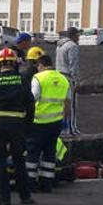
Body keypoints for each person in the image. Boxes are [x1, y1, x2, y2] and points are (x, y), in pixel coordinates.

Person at [0, 47, 35, 205]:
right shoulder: (23, 81)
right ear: (14, 63)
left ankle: (4, 198)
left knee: (0, 162)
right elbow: (31, 107)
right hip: (18, 126)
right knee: (19, 161)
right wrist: (28, 128)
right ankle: (25, 196)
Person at [27, 54, 70, 193]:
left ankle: (30, 184)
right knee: (49, 153)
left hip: (38, 122)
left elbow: (32, 99)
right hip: (56, 123)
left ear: (40, 65)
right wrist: (64, 119)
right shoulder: (64, 79)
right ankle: (47, 184)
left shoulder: (38, 78)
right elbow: (67, 103)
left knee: (33, 153)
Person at [55, 27, 81, 135]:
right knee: (72, 105)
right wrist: (76, 81)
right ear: (73, 35)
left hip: (58, 76)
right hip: (68, 77)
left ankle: (61, 129)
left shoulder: (59, 45)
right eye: (78, 35)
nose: (79, 37)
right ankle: (71, 129)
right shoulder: (72, 46)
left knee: (61, 104)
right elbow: (73, 64)